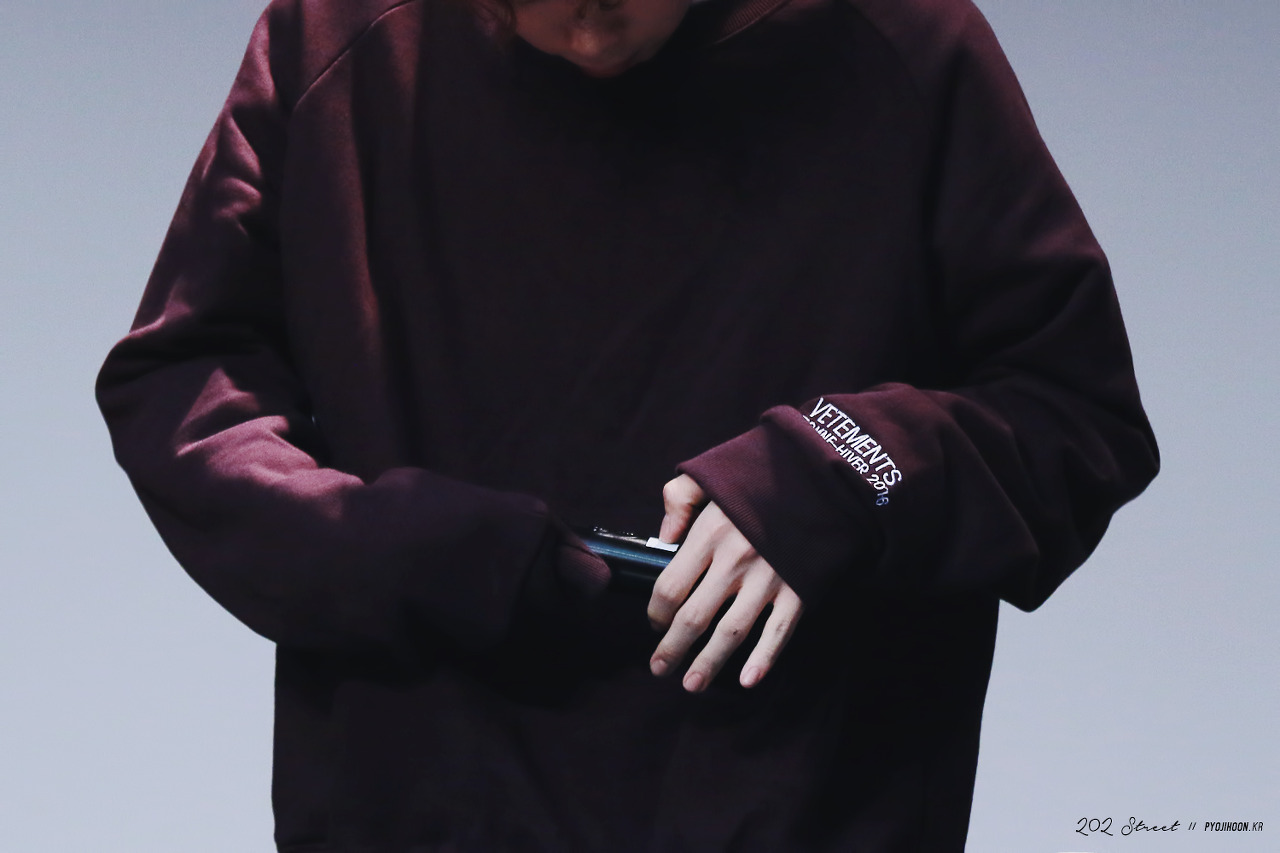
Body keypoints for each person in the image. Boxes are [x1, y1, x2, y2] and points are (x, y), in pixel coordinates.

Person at [95, 0, 1159, 848]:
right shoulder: (337, 36)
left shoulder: (905, 44)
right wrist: (384, 546)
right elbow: (181, 384)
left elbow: (1072, 410)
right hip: (419, 804)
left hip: (803, 805)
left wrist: (838, 473)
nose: (588, 30)